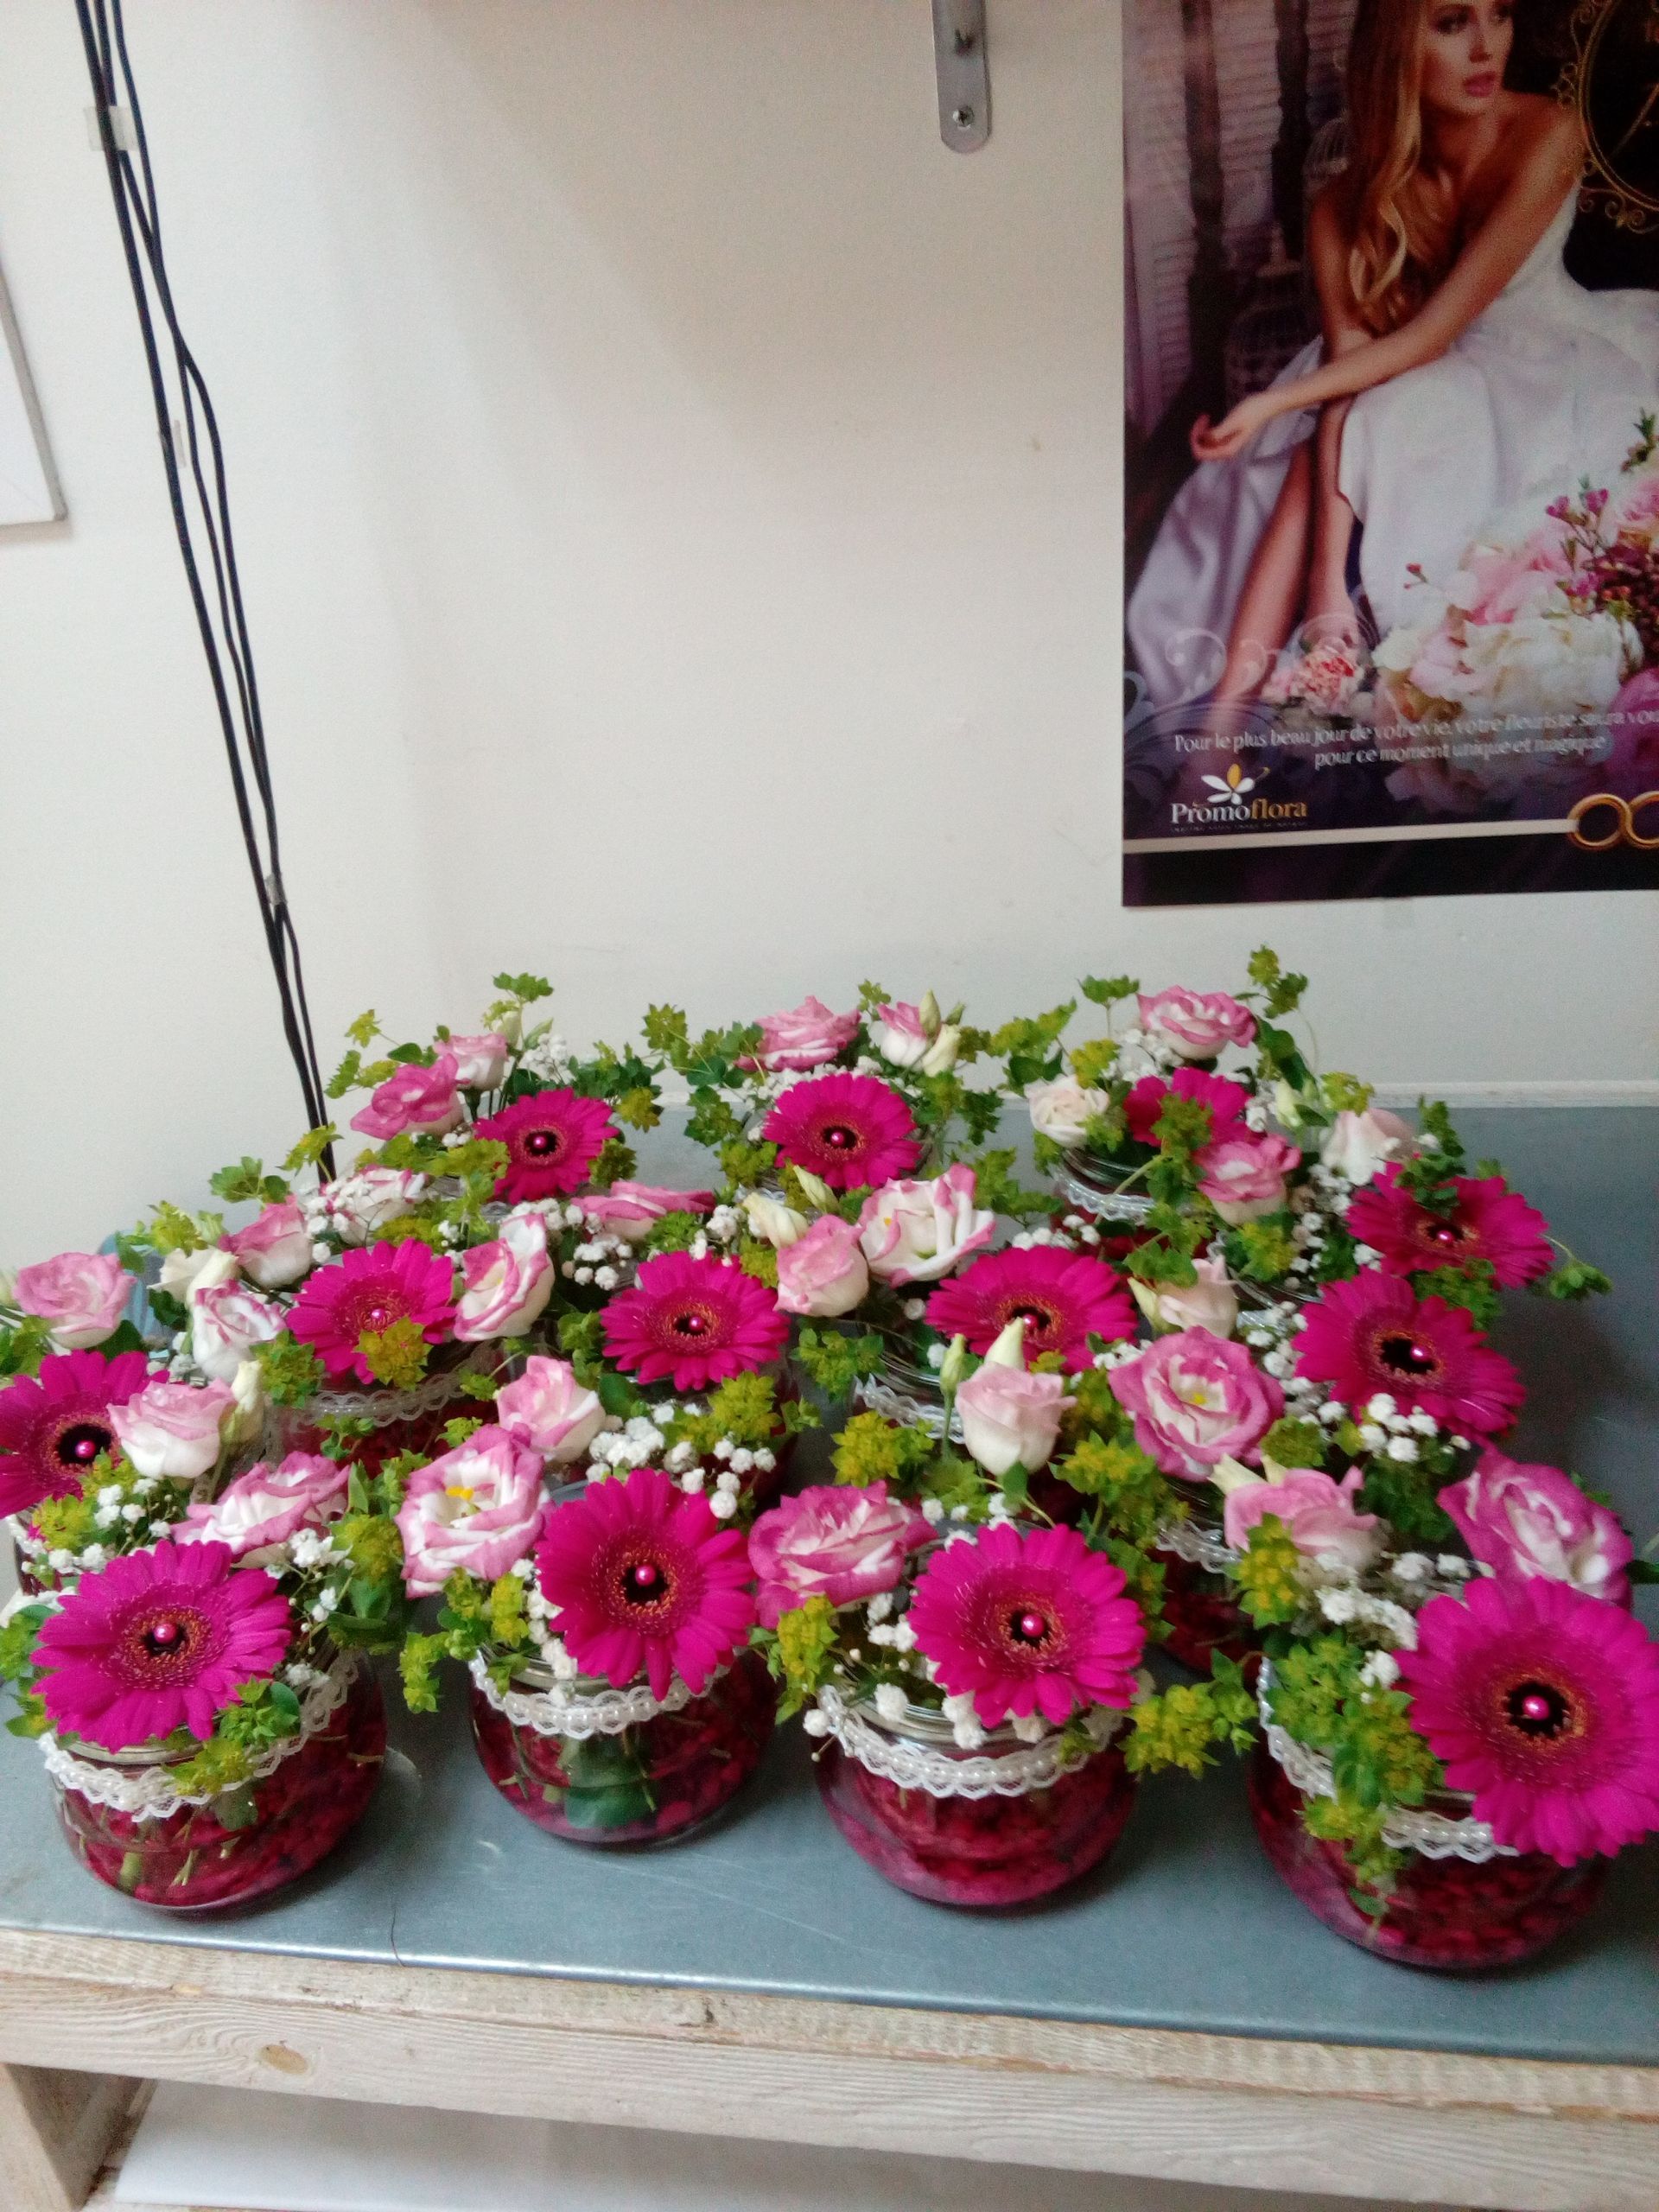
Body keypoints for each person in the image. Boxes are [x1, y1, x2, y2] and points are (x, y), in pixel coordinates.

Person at [1127, 0, 1659, 714]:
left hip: (1552, 360)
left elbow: (1433, 333)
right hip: (1416, 368)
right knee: (1315, 444)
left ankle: (1267, 689)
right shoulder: (1341, 204)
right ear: (1394, 45)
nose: (1485, 47)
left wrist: (1266, 402)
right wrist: (1322, 579)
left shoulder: (1549, 130)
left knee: (1374, 412)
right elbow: (1346, 376)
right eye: (1450, 23)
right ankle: (1234, 708)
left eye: (1497, 16)